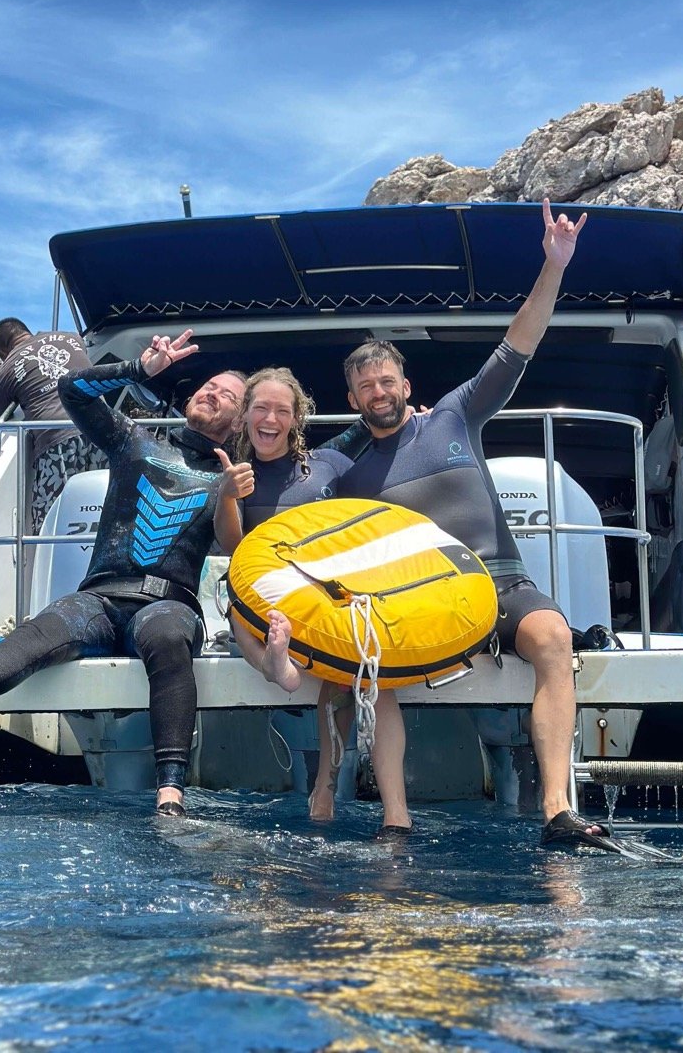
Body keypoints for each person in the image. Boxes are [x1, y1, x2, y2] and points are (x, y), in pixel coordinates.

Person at [334, 199, 616, 852]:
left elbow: (521, 340)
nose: (379, 392)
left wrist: (555, 265)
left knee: (551, 636)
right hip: (426, 600)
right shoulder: (350, 474)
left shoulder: (456, 416)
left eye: (386, 380)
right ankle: (396, 820)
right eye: (365, 388)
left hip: (503, 584)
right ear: (353, 400)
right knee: (375, 671)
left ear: (405, 383)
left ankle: (555, 808)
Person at [0, 329, 246, 818]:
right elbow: (71, 391)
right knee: (43, 627)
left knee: (171, 636)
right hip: (99, 599)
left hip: (167, 602)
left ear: (236, 422)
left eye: (227, 394)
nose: (211, 393)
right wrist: (137, 370)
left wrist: (234, 493)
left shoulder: (229, 479)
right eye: (207, 386)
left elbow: (240, 543)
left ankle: (170, 789)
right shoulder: (133, 440)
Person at [213, 368, 412, 837]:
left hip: (324, 594)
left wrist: (416, 424)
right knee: (241, 600)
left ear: (296, 419)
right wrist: (226, 497)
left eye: (283, 410)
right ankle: (271, 663)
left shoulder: (326, 464)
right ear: (245, 417)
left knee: (351, 674)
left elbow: (381, 434)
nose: (270, 418)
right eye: (260, 408)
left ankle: (341, 795)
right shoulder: (235, 475)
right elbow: (231, 548)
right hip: (263, 593)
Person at [0, 318, 106, 533]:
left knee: (50, 523)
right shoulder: (72, 338)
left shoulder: (5, 371)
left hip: (57, 442)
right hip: (103, 432)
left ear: (3, 351)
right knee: (108, 509)